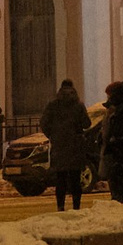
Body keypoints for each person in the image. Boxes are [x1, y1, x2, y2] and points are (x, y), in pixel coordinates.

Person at [38, 79, 92, 212]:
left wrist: (53, 135)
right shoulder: (78, 105)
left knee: (60, 179)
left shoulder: (53, 105)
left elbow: (44, 123)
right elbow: (87, 123)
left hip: (59, 146)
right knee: (75, 179)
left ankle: (60, 206)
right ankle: (76, 206)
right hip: (75, 146)